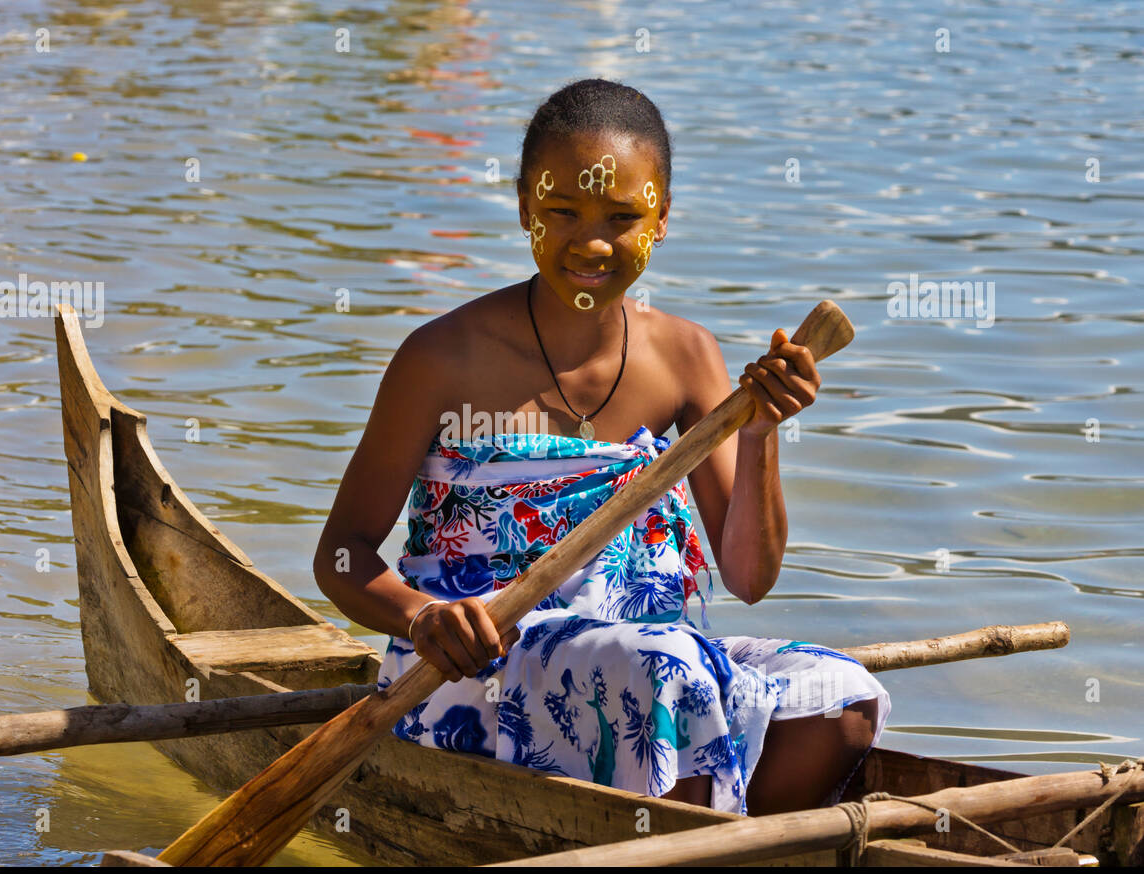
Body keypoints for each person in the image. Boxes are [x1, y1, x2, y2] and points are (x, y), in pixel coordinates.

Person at [313, 78, 889, 815]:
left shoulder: (686, 354)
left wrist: (759, 434)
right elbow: (341, 554)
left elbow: (748, 575)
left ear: (663, 218)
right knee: (667, 667)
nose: (591, 242)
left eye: (623, 217)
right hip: (480, 672)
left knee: (841, 697)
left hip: (651, 661)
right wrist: (423, 617)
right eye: (562, 212)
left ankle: (718, 845)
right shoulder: (440, 357)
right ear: (524, 206)